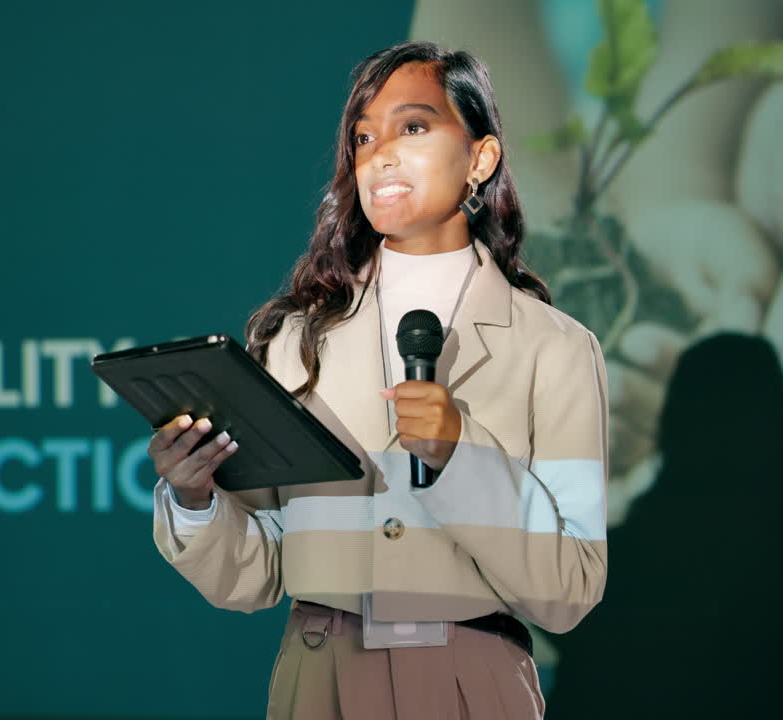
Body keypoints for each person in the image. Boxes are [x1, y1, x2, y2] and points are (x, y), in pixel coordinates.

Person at [148, 41, 609, 719]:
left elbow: (571, 590)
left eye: (413, 127)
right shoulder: (298, 340)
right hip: (320, 679)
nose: (381, 154)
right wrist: (193, 499)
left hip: (471, 681)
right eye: (364, 139)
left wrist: (461, 454)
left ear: (480, 158)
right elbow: (256, 572)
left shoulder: (557, 349)